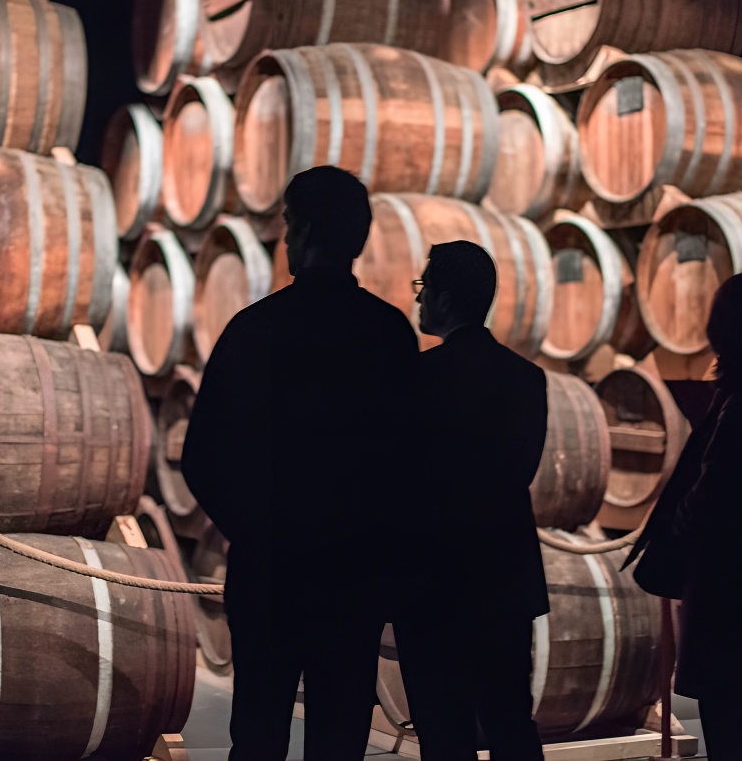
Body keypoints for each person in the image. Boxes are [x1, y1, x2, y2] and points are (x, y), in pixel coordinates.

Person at [180, 166, 421, 761]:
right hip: (356, 575)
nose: (284, 238)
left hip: (271, 571)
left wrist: (258, 530)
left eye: (288, 223)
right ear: (358, 238)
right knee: (340, 735)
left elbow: (201, 456)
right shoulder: (388, 334)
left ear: (306, 230)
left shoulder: (256, 328)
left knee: (258, 732)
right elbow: (412, 465)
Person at [625, 271, 742, 761]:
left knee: (723, 709)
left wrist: (682, 528)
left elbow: (717, 483)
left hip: (728, 576)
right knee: (727, 706)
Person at [393, 241, 549, 761]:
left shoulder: (417, 378)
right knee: (510, 723)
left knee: (443, 732)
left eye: (423, 287)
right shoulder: (528, 379)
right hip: (504, 576)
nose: (418, 299)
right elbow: (518, 474)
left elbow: (404, 482)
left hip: (434, 581)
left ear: (444, 296)